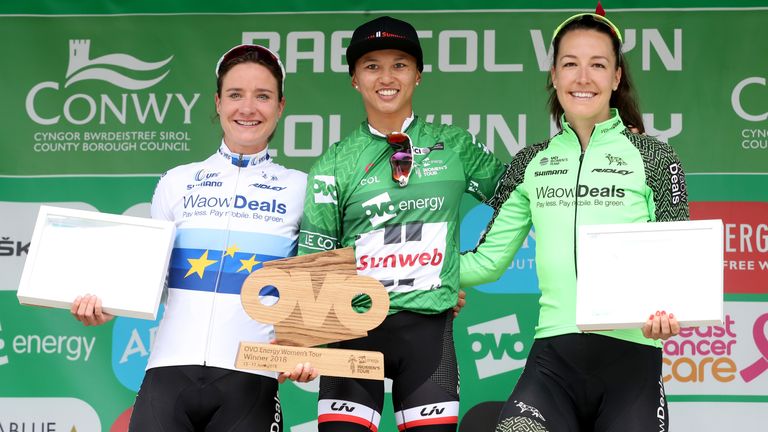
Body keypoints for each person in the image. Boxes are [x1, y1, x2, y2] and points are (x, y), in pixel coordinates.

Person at [460, 9, 687, 432]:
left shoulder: (654, 157)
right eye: (570, 64)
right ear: (554, 75)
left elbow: (677, 268)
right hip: (552, 363)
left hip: (630, 362)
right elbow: (484, 262)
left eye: (597, 65)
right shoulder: (531, 162)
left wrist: (669, 310)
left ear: (616, 77)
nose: (583, 77)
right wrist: (407, 272)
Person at [71, 43, 317, 431]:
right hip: (168, 375)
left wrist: (303, 347)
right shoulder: (177, 182)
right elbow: (146, 279)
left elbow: (316, 291)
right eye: (236, 95)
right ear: (218, 103)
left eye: (263, 96)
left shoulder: (302, 189)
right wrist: (106, 305)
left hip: (251, 377)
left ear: (281, 107)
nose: (248, 108)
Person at [298, 15, 505, 432]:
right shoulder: (334, 162)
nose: (386, 77)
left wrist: (457, 267)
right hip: (352, 332)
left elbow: (517, 196)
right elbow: (313, 264)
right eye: (371, 65)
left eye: (400, 64)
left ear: (418, 76)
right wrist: (301, 343)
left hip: (428, 337)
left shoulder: (455, 146)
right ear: (355, 79)